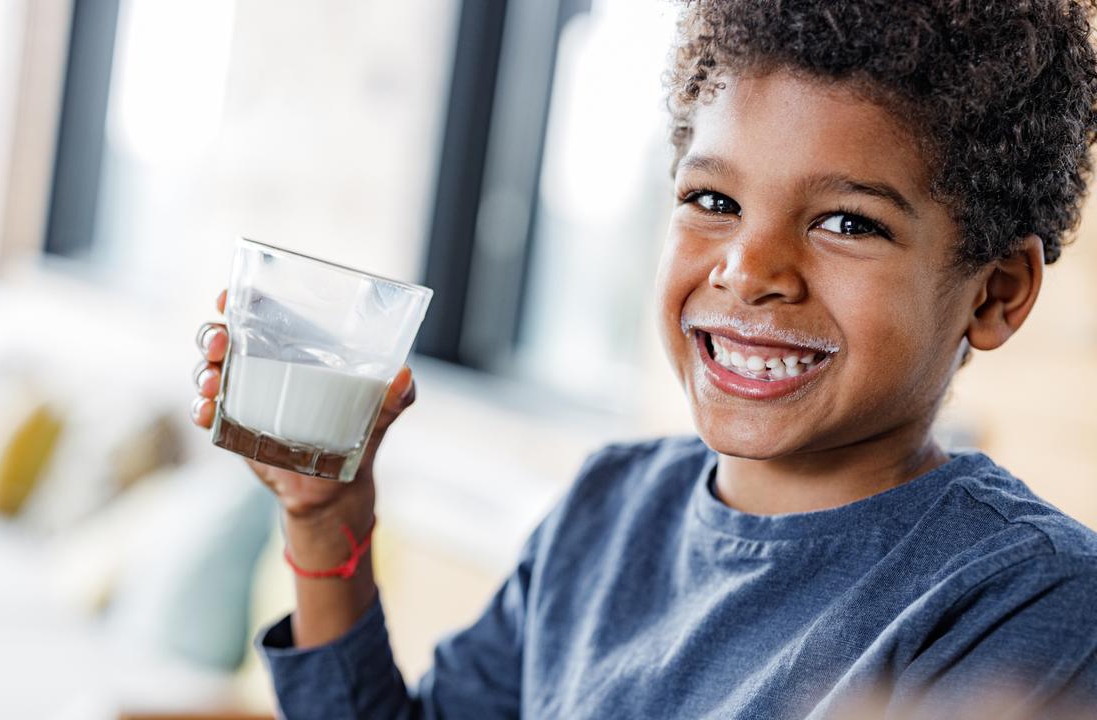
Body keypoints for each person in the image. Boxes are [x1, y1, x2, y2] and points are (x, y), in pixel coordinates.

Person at [190, 1, 1097, 717]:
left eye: (847, 222)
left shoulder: (1027, 601)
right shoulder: (607, 509)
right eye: (712, 198)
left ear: (995, 293)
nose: (748, 271)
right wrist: (325, 516)